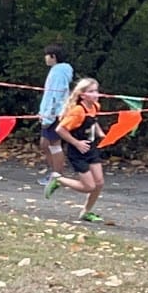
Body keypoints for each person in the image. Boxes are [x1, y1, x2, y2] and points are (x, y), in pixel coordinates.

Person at [42, 77, 107, 223]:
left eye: (96, 90)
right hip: (78, 152)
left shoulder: (95, 106)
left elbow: (93, 121)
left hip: (91, 149)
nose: (96, 94)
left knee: (99, 183)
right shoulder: (78, 111)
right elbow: (61, 129)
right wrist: (76, 143)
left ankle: (86, 212)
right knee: (89, 186)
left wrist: (100, 132)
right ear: (82, 95)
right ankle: (58, 180)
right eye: (91, 91)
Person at [36, 43, 74, 178]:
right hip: (49, 113)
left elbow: (56, 95)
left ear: (53, 56)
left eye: (47, 55)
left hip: (55, 114)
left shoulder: (59, 73)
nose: (45, 58)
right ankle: (53, 171)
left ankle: (57, 175)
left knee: (54, 144)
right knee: (44, 143)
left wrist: (50, 115)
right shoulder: (55, 71)